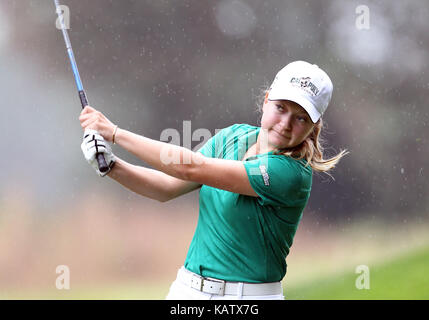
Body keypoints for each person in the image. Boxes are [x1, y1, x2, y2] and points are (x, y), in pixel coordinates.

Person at [79, 60, 348, 300]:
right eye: (280, 107)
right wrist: (111, 166)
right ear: (266, 100)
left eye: (300, 117)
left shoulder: (290, 173)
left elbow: (190, 168)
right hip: (187, 290)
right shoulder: (233, 136)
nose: (286, 123)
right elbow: (167, 187)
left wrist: (115, 133)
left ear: (315, 125)